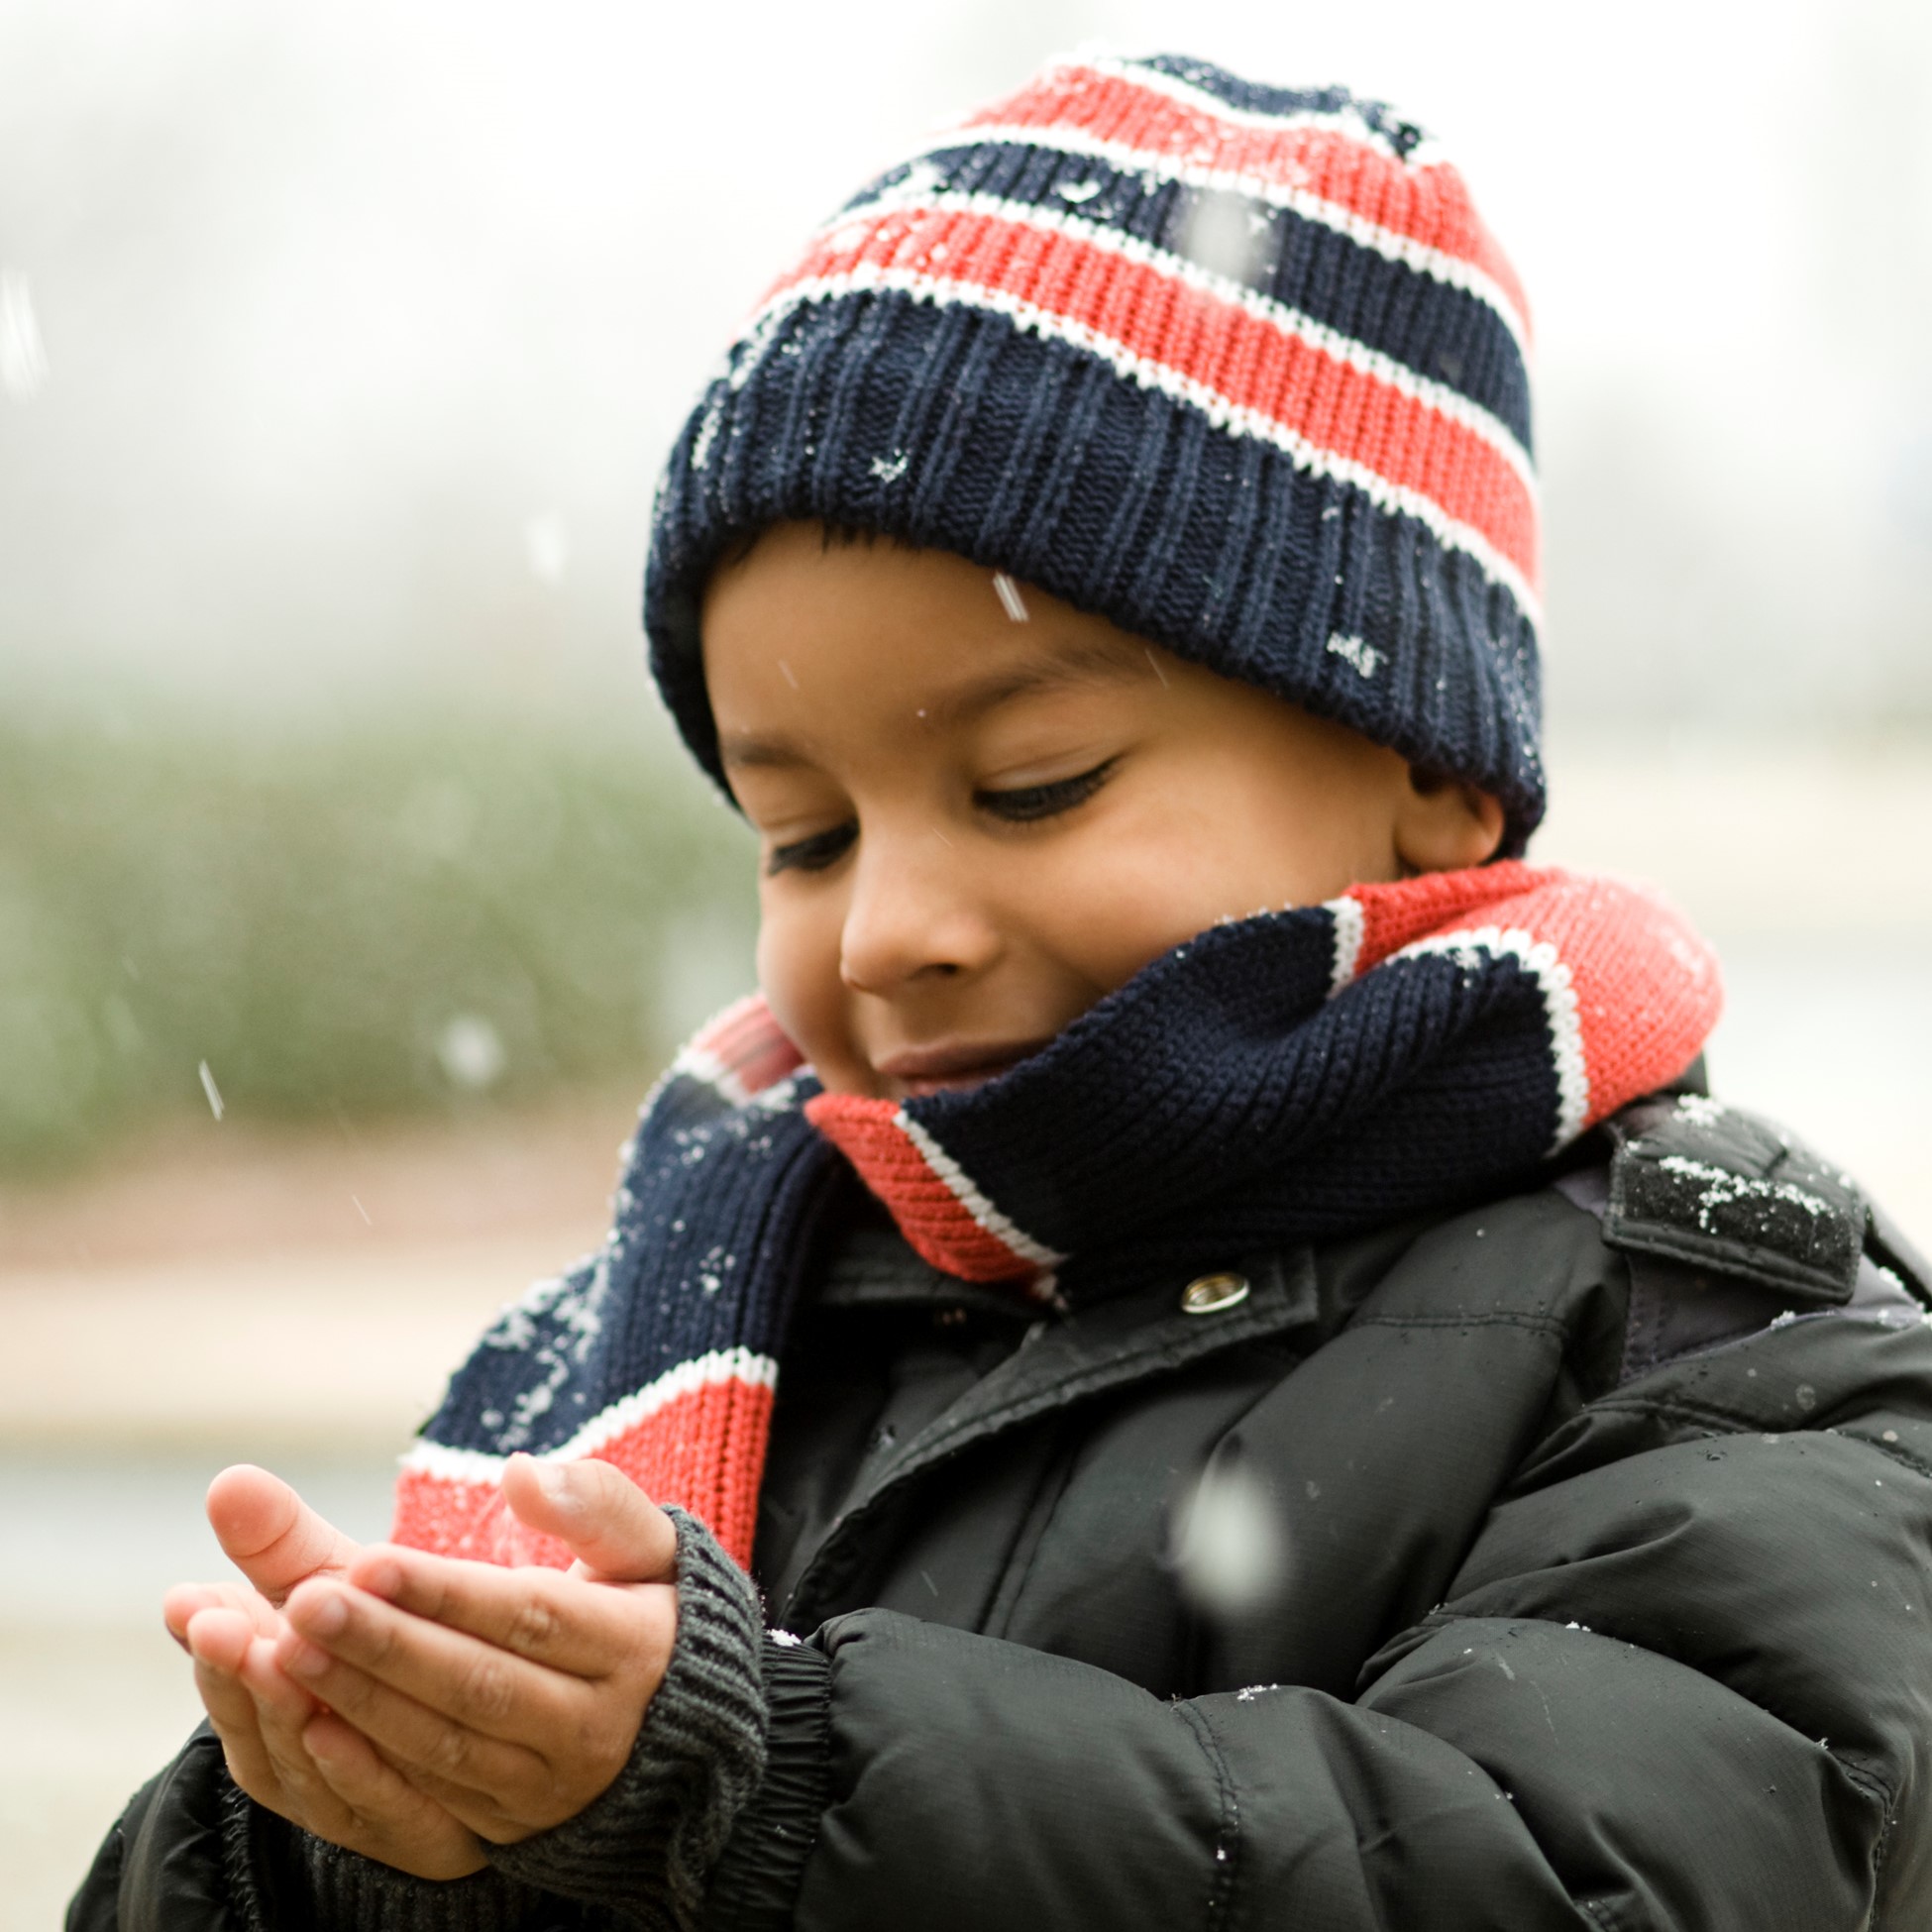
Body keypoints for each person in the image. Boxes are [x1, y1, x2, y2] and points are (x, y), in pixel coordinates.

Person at [74, 50, 1932, 1932]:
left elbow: (1576, 1876)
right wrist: (354, 1812)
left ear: (1426, 778)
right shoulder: (700, 1322)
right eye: (799, 834)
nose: (883, 926)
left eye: (1027, 784)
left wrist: (773, 1778)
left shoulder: (1725, 1344)